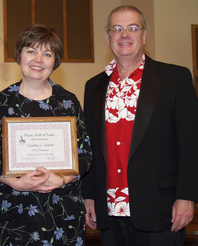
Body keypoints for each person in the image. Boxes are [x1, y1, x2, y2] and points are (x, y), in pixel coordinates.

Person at [81, 5, 198, 246]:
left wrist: (187, 197)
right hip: (109, 211)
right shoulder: (94, 86)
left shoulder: (175, 79)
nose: (124, 34)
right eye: (117, 29)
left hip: (160, 210)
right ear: (107, 37)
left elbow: (191, 144)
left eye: (132, 28)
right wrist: (89, 196)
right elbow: (91, 146)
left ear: (144, 35)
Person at [0, 23, 92, 246]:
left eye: (47, 54)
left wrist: (61, 179)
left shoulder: (68, 102)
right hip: (16, 212)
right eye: (31, 51)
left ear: (55, 61)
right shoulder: (0, 103)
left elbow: (85, 154)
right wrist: (14, 182)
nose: (38, 59)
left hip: (64, 212)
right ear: (19, 55)